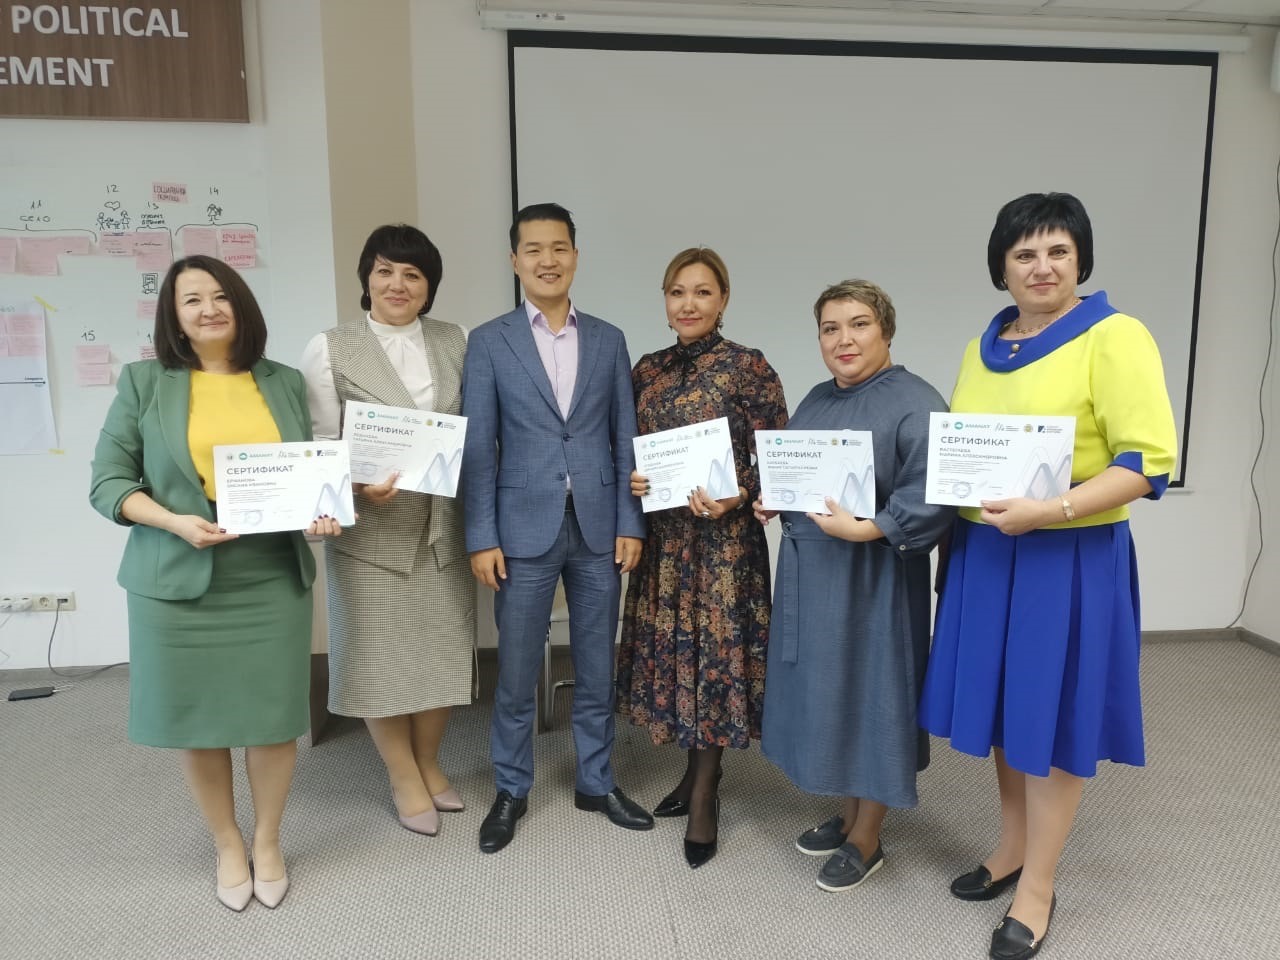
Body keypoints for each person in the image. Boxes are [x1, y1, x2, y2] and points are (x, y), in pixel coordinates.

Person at [918, 193, 1177, 960]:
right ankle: (1011, 847)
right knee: (1006, 707)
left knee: (1052, 716)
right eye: (1024, 253)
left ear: (1080, 260)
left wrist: (1050, 509)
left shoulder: (1116, 336)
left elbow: (1146, 464)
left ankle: (1039, 885)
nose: (1042, 267)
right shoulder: (983, 346)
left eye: (1058, 251)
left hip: (1065, 556)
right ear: (1000, 266)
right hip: (987, 552)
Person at [89, 255, 343, 912]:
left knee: (271, 718)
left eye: (221, 295)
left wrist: (321, 511)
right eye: (192, 299)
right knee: (199, 723)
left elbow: (307, 470)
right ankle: (228, 843)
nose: (209, 309)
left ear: (241, 304)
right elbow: (108, 482)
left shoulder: (283, 381)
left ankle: (268, 840)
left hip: (269, 576)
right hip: (178, 577)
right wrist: (174, 521)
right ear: (174, 317)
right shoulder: (145, 382)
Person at [461, 202, 651, 853]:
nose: (548, 260)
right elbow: (479, 447)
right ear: (515, 260)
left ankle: (596, 781)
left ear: (575, 255)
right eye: (534, 249)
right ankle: (511, 788)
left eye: (559, 247)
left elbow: (624, 439)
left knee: (597, 665)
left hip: (599, 527)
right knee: (516, 671)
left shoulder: (609, 339)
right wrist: (482, 535)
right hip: (520, 529)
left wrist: (632, 523)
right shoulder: (490, 341)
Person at [754, 280, 954, 892]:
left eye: (859, 324)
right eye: (830, 328)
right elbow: (803, 474)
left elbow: (933, 494)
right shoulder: (817, 399)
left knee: (873, 694)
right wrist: (776, 498)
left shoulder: (917, 403)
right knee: (831, 692)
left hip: (874, 579)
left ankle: (868, 836)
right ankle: (846, 815)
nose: (844, 339)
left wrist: (870, 529)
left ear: (886, 330)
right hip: (813, 575)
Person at [300, 224, 475, 838]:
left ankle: (428, 762)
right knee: (376, 658)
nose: (397, 284)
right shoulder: (329, 347)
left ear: (429, 286)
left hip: (443, 526)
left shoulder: (456, 340)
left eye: (412, 274)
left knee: (442, 651)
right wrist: (356, 487)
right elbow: (319, 444)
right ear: (367, 278)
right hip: (370, 532)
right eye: (385, 270)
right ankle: (402, 775)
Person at [617, 247, 787, 868]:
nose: (688, 304)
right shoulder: (646, 370)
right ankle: (691, 774)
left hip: (724, 548)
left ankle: (705, 793)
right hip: (665, 544)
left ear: (723, 300)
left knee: (714, 662)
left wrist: (739, 491)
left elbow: (779, 454)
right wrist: (634, 477)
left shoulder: (748, 366)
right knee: (676, 658)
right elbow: (626, 447)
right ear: (665, 302)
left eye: (702, 292)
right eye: (677, 292)